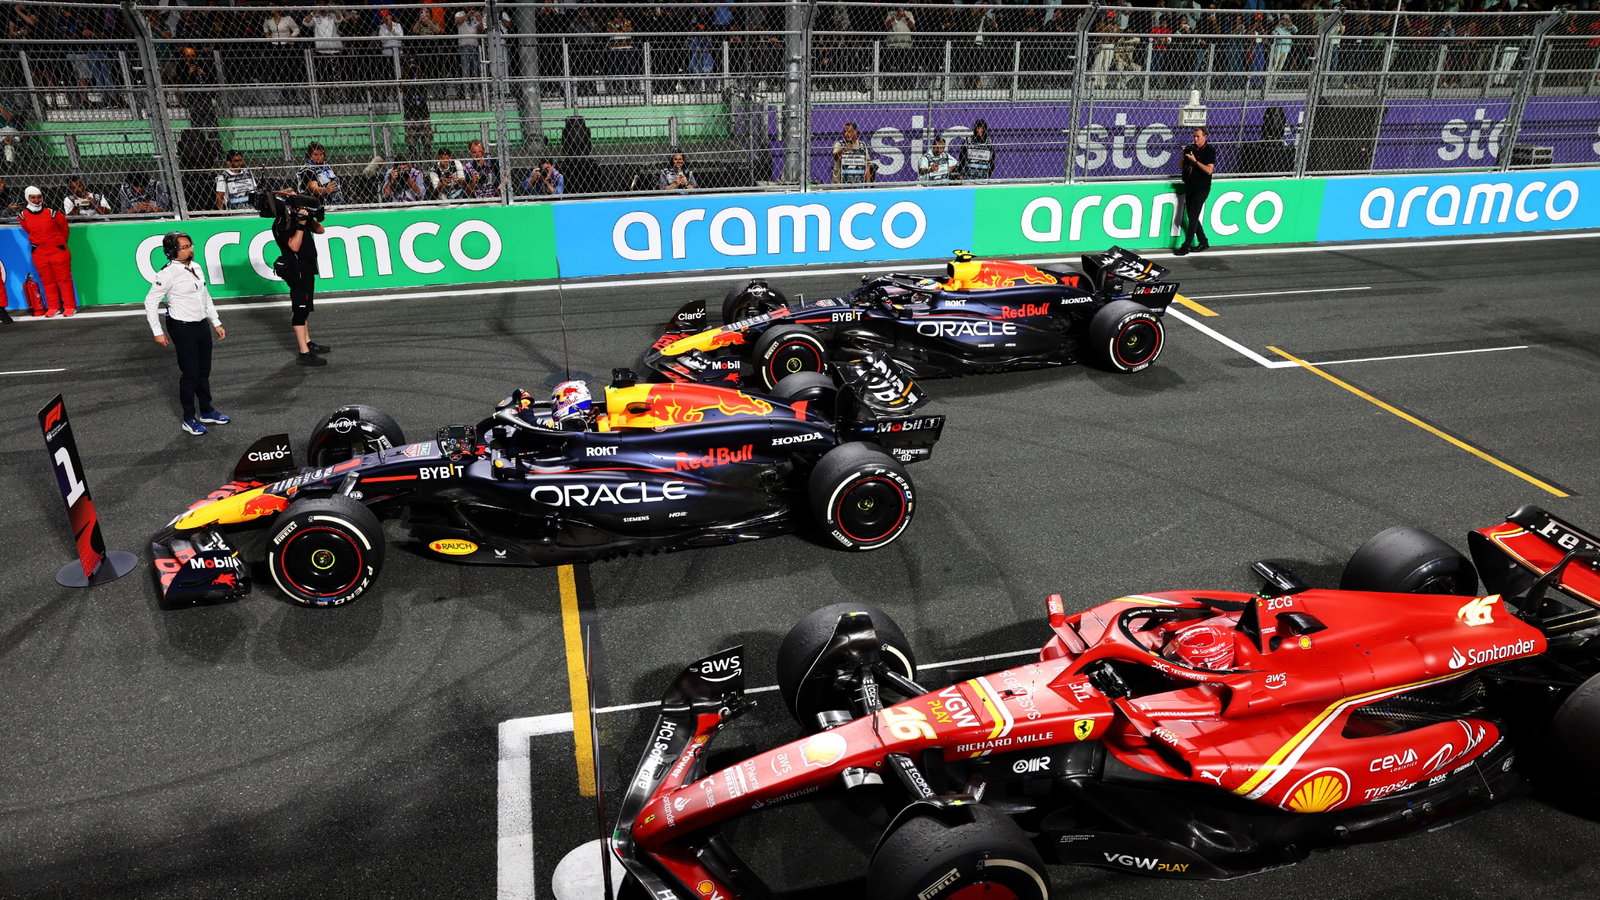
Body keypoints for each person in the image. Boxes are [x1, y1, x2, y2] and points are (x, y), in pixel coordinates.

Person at [144, 231, 229, 435]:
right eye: (185, 247)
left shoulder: (196, 267)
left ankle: (207, 411)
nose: (190, 249)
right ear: (172, 251)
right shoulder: (167, 274)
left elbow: (205, 295)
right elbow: (150, 302)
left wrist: (215, 321)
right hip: (182, 328)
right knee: (190, 375)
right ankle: (188, 418)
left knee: (203, 371)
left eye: (190, 245)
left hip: (201, 325)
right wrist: (158, 331)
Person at [270, 193, 330, 366]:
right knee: (300, 310)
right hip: (297, 271)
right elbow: (294, 246)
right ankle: (304, 353)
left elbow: (320, 230)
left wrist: (308, 219)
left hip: (307, 269)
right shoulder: (283, 223)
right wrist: (301, 225)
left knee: (304, 309)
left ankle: (308, 343)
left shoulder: (296, 219)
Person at [18, 185, 75, 316]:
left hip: (57, 250)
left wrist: (59, 244)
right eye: (33, 197)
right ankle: (53, 306)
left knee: (64, 279)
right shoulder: (22, 216)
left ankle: (69, 306)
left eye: (39, 197)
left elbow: (64, 230)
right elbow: (29, 230)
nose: (37, 200)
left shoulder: (53, 213)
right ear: (27, 198)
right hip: (39, 253)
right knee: (47, 281)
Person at [1175, 125, 1215, 255]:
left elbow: (1209, 170)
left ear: (1205, 137)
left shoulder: (1209, 150)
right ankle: (1203, 241)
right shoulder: (1192, 149)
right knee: (1192, 216)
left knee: (1192, 217)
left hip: (1201, 188)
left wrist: (1195, 161)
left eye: (1198, 136)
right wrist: (1184, 155)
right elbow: (1181, 166)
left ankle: (1186, 246)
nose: (1195, 139)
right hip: (1190, 186)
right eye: (1194, 136)